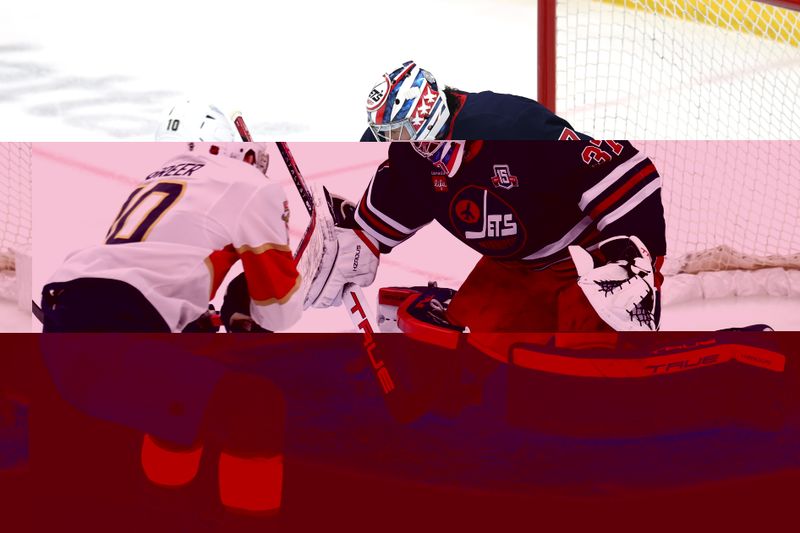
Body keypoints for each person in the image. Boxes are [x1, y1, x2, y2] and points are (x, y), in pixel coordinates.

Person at [306, 139, 666, 335]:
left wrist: (635, 262)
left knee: (584, 370)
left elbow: (627, 170)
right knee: (470, 341)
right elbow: (406, 187)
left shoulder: (520, 135)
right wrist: (362, 235)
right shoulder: (416, 158)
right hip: (517, 266)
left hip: (584, 263)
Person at [41, 101, 302, 333]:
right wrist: (246, 306)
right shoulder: (251, 183)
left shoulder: (157, 175)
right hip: (133, 309)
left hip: (66, 292)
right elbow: (278, 311)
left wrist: (188, 315)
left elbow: (158, 257)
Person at [361, 60, 584, 142]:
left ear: (424, 115)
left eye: (395, 131)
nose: (387, 140)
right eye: (385, 133)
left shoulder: (505, 122)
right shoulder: (387, 134)